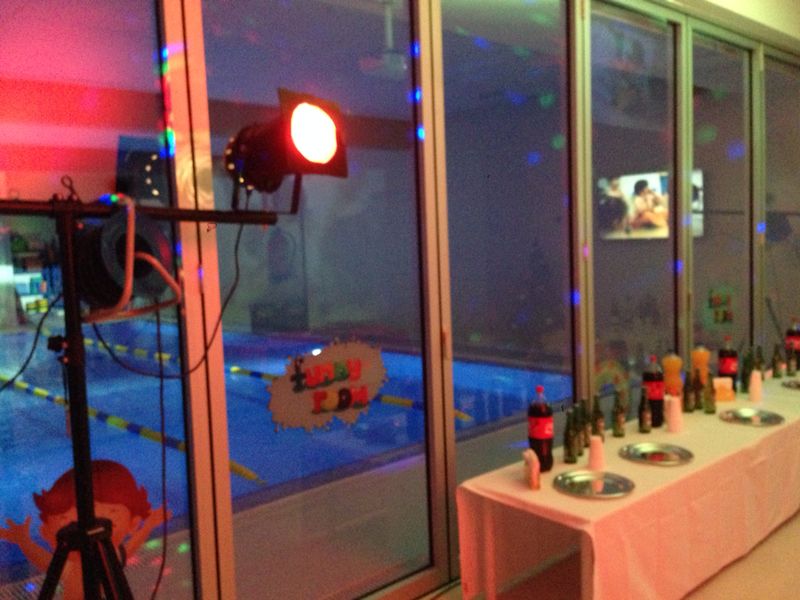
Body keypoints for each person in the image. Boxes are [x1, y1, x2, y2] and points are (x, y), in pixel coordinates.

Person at [0, 460, 170, 600]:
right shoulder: (78, 567)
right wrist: (23, 541)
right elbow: (44, 560)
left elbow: (129, 547)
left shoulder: (102, 558)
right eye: (65, 519)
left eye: (111, 513)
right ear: (46, 532)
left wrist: (149, 525)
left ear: (133, 523)